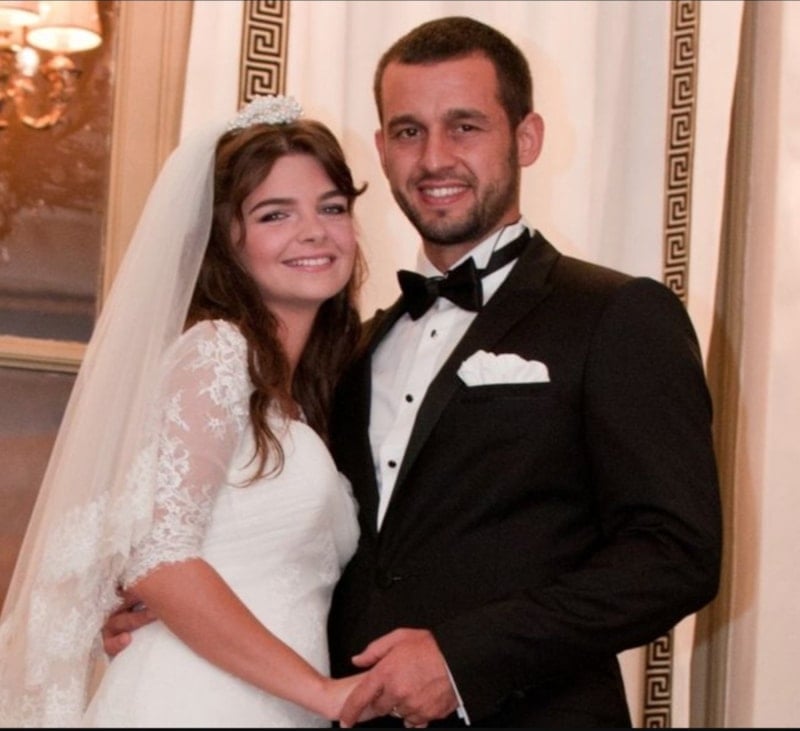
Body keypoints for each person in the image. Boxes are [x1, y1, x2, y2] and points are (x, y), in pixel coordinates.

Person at [104, 16, 723, 728]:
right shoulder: (350, 352)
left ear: (526, 138)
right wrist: (167, 613)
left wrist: (463, 658)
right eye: (408, 131)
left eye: (465, 127)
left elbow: (675, 555)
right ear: (381, 149)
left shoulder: (615, 314)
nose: (434, 158)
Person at [0, 95, 373, 727]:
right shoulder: (218, 350)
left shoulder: (307, 390)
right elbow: (161, 558)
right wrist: (325, 693)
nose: (314, 230)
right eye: (275, 214)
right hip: (196, 703)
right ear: (225, 239)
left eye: (331, 207)